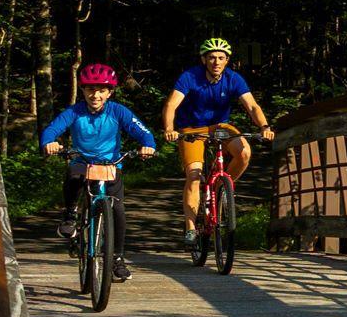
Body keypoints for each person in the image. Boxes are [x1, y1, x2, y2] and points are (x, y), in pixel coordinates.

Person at [41, 63, 158, 281]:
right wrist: (50, 142)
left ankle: (117, 260)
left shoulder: (118, 111)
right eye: (90, 89)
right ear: (83, 90)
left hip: (110, 165)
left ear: (110, 92)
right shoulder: (74, 112)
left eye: (101, 90)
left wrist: (148, 145)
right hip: (82, 162)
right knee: (73, 175)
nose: (95, 95)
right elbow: (52, 129)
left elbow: (142, 131)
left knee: (118, 211)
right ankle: (70, 216)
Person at [161, 37, 275, 247]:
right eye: (211, 57)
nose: (216, 62)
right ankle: (190, 227)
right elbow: (171, 105)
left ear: (227, 60)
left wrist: (264, 127)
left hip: (220, 126)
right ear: (204, 59)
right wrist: (169, 129)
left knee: (244, 152)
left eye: (221, 58)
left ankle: (222, 188)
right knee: (194, 175)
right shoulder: (190, 77)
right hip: (191, 128)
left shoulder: (233, 78)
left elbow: (252, 106)